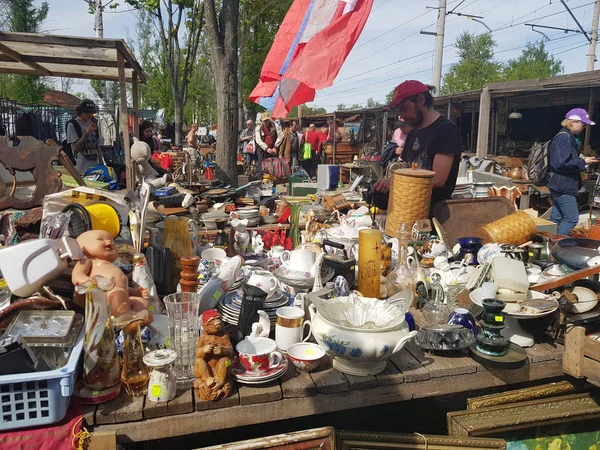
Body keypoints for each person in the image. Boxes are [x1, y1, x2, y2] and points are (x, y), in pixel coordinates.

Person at [374, 80, 461, 213]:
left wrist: (396, 183)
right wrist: (389, 182)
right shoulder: (413, 133)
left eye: (404, 109)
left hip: (435, 214)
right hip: (410, 208)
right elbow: (404, 171)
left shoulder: (446, 130)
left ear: (421, 100)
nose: (402, 115)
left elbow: (437, 179)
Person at [548, 108, 598, 235]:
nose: (584, 127)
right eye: (583, 123)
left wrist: (579, 159)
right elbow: (560, 163)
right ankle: (557, 247)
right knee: (571, 219)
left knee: (556, 218)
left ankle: (549, 245)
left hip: (559, 184)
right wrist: (582, 162)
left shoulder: (567, 136)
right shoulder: (564, 138)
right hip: (564, 185)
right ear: (572, 122)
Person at [67, 99, 103, 174]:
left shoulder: (94, 124)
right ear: (80, 112)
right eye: (87, 112)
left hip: (96, 167)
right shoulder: (73, 125)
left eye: (91, 112)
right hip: (81, 168)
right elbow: (75, 147)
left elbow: (98, 146)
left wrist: (102, 164)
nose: (89, 115)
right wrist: (86, 133)